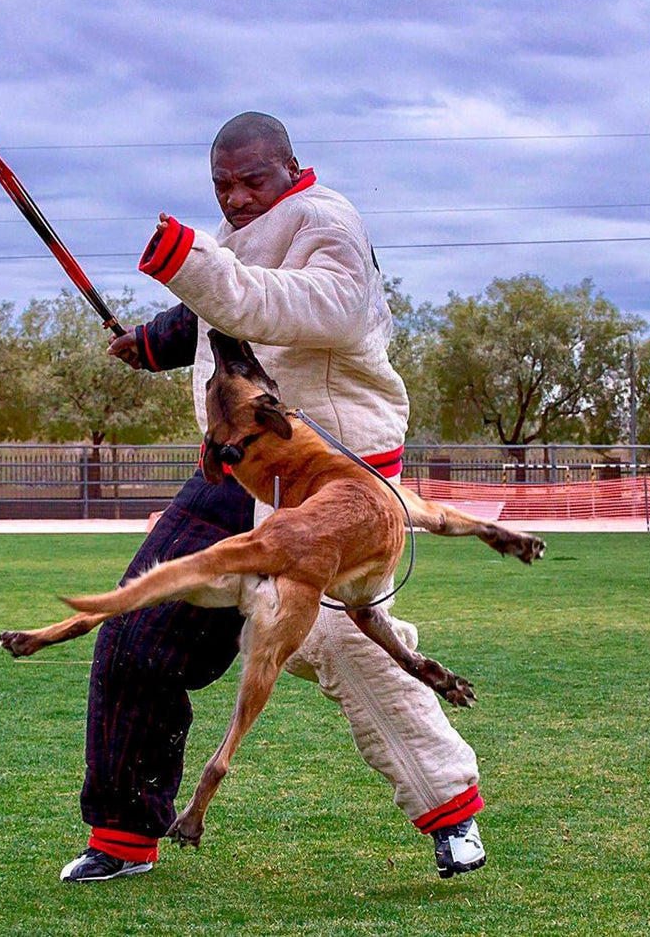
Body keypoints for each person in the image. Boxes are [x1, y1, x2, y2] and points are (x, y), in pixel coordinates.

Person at [60, 112, 486, 883]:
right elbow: (214, 316)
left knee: (345, 642)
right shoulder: (241, 241)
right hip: (239, 472)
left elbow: (301, 306)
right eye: (223, 185)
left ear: (292, 167)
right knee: (134, 628)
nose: (237, 198)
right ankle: (122, 839)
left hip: (337, 480)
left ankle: (451, 815)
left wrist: (186, 260)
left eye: (253, 180)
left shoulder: (330, 227)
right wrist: (150, 342)